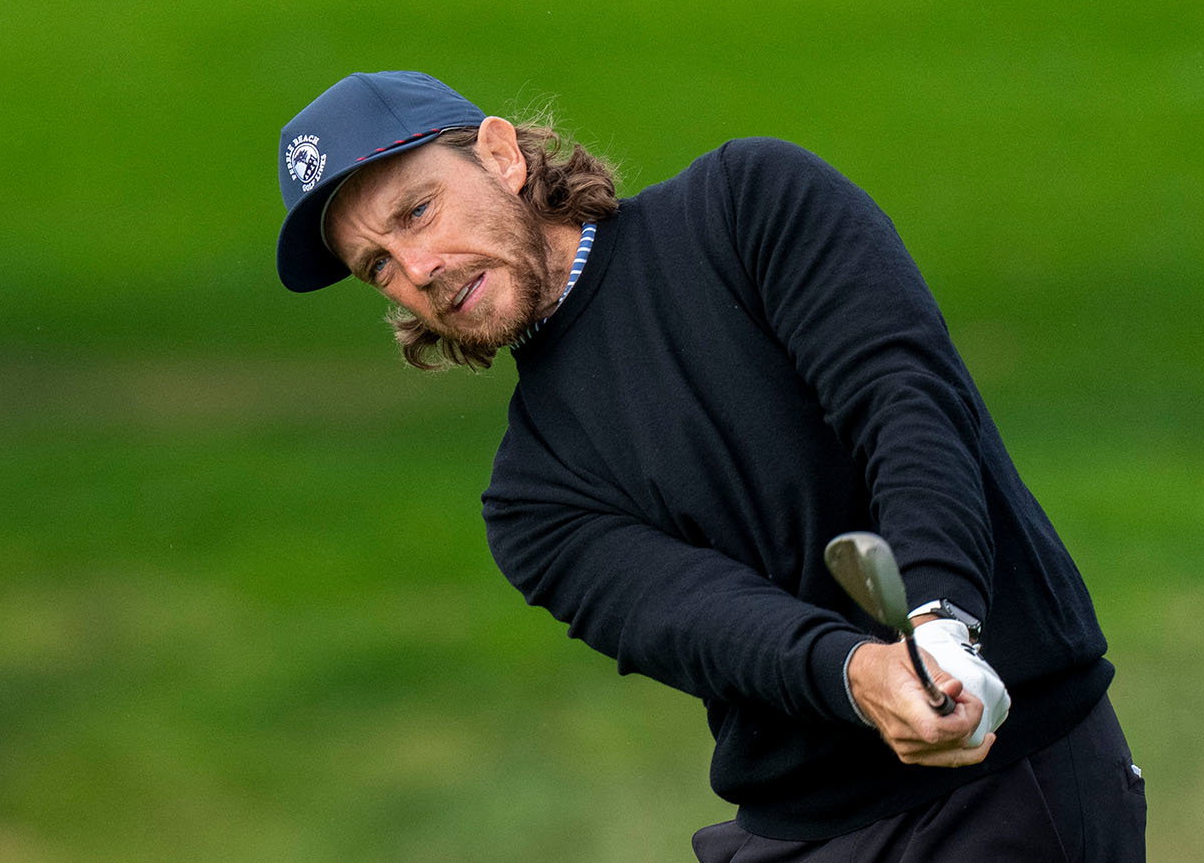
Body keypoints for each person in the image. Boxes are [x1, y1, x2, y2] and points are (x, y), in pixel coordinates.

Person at [273, 71, 1146, 862]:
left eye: (417, 212)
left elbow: (905, 402)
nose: (416, 270)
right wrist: (861, 674)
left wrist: (942, 620)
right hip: (797, 837)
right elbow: (713, 627)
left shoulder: (747, 207)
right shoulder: (530, 502)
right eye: (376, 266)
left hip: (1008, 791)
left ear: (500, 156)